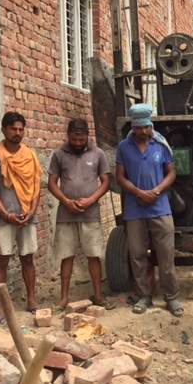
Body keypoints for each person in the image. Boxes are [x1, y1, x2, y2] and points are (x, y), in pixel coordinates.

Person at [115, 103, 184, 317]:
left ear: (150, 125)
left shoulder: (161, 144)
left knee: (165, 256)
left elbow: (171, 173)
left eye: (145, 127)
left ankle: (171, 297)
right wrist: (137, 192)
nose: (142, 132)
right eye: (137, 128)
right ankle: (144, 296)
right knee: (137, 255)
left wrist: (156, 191)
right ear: (132, 127)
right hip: (135, 210)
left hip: (161, 208)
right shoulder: (124, 147)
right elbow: (120, 176)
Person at [0, 111, 42, 324]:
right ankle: (1, 307)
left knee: (28, 258)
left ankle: (32, 300)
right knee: (2, 262)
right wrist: (6, 214)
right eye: (13, 129)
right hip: (4, 219)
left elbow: (36, 187)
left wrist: (32, 211)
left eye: (20, 129)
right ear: (4, 130)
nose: (17, 133)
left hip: (28, 217)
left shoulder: (30, 156)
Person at [48, 118, 114, 310]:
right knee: (66, 255)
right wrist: (66, 201)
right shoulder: (59, 154)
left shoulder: (98, 153)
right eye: (74, 139)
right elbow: (52, 183)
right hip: (66, 214)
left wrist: (91, 200)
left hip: (90, 213)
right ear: (68, 136)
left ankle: (99, 296)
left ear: (87, 136)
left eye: (81, 140)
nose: (77, 143)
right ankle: (63, 298)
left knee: (93, 255)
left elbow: (106, 182)